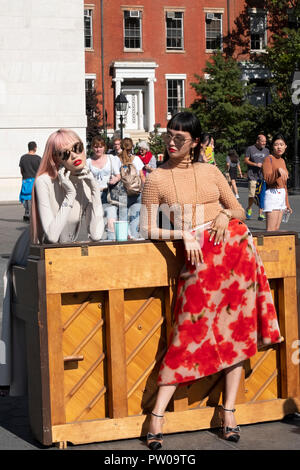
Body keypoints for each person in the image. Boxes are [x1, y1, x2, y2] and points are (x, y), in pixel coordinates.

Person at [140, 111, 282, 450]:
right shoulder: (156, 179)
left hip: (235, 259)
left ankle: (228, 411)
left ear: (196, 143)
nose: (172, 141)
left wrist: (222, 213)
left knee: (236, 334)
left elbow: (239, 210)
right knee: (186, 335)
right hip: (197, 265)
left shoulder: (211, 170)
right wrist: (181, 234)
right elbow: (147, 227)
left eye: (180, 138)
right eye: (169, 135)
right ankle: (157, 416)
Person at [0, 129, 104, 396]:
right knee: (35, 327)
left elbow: (96, 234)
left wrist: (94, 192)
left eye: (78, 148)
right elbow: (53, 235)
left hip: (63, 255)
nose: (75, 156)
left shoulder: (82, 177)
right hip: (36, 252)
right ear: (55, 158)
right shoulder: (44, 181)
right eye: (65, 153)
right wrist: (69, 195)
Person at [87, 136, 121, 240]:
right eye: (96, 147)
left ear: (104, 147)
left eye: (101, 147)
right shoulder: (88, 161)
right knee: (96, 220)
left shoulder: (111, 158)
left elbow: (118, 175)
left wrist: (114, 180)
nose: (98, 149)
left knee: (111, 219)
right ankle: (96, 243)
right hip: (94, 195)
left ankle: (111, 243)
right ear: (92, 148)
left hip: (108, 193)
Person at [262, 133, 292, 231]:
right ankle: (266, 247)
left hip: (281, 195)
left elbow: (284, 184)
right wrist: (277, 171)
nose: (279, 147)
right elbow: (268, 179)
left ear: (285, 146)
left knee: (277, 229)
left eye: (281, 144)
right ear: (272, 146)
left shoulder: (282, 161)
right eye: (276, 144)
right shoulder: (268, 159)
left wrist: (287, 204)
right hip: (272, 194)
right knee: (271, 230)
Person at [118, 138, 145, 239]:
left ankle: (123, 237)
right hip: (136, 191)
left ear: (121, 146)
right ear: (132, 146)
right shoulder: (136, 159)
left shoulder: (117, 159)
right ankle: (133, 236)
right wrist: (144, 188)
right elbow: (142, 176)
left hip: (123, 192)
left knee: (123, 217)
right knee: (135, 217)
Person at [244, 134, 269, 221]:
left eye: (265, 141)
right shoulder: (250, 149)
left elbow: (268, 162)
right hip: (252, 176)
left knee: (262, 195)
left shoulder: (266, 151)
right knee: (252, 195)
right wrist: (255, 164)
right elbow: (246, 160)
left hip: (262, 176)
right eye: (262, 141)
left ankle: (260, 214)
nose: (264, 143)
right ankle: (249, 208)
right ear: (257, 141)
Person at [19, 141, 41, 222]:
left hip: (25, 180)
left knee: (25, 196)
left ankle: (27, 213)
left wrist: (24, 176)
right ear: (35, 148)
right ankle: (32, 214)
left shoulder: (23, 158)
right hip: (35, 180)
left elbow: (21, 170)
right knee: (34, 197)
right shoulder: (38, 158)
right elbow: (40, 171)